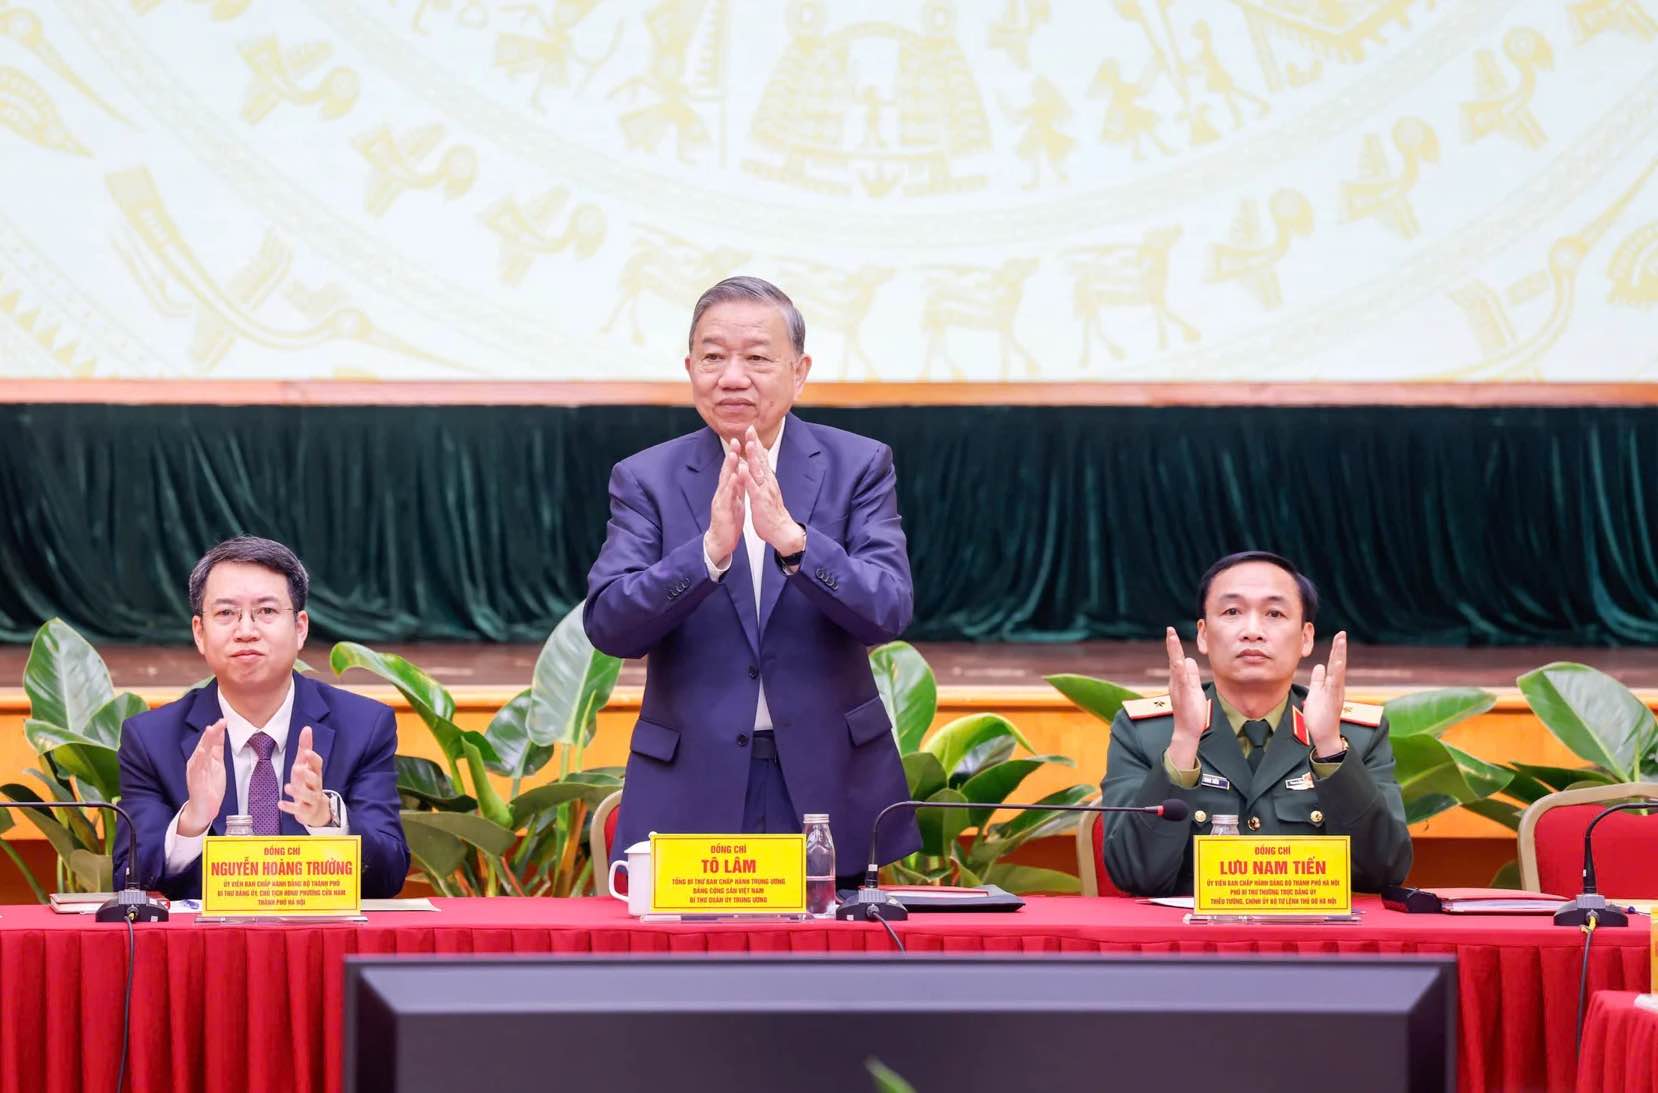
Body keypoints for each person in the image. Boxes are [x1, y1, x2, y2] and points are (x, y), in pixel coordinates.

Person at [584, 276, 920, 882]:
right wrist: (708, 555)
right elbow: (609, 624)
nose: (732, 376)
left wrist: (794, 542)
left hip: (829, 782)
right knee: (695, 974)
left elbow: (889, 608)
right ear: (690, 368)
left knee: (832, 972)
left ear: (800, 371)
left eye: (758, 358)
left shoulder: (858, 465)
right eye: (713, 357)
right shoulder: (645, 478)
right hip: (691, 783)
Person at [1099, 551, 1412, 896]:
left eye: (1274, 613)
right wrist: (1184, 743)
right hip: (1191, 945)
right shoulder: (1146, 733)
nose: (1252, 632)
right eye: (1232, 612)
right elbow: (1133, 874)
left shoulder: (1354, 735)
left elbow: (1385, 870)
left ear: (1306, 637)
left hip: (1310, 944)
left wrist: (1329, 749)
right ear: (1202, 634)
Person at [115, 536, 410, 900]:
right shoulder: (151, 740)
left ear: (300, 628)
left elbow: (390, 874)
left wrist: (327, 820)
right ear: (199, 633)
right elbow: (128, 879)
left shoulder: (363, 726)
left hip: (320, 946)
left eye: (266, 612)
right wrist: (193, 822)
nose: (246, 631)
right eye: (226, 613)